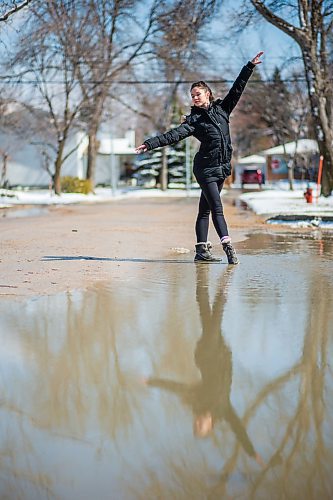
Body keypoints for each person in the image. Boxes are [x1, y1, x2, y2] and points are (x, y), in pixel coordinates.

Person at [135, 52, 264, 264]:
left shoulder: (223, 110)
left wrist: (249, 67)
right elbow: (172, 135)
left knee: (204, 210)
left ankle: (201, 251)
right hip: (204, 169)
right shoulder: (193, 121)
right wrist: (150, 144)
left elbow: (237, 88)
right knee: (217, 207)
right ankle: (228, 247)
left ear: (208, 94)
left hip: (221, 167)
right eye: (192, 95)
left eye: (198, 94)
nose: (195, 97)